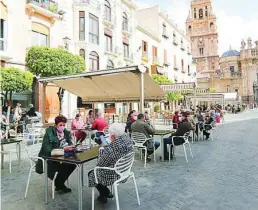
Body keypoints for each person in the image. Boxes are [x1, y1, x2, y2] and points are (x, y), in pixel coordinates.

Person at [88, 123, 133, 204]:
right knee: (103, 140)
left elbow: (100, 164)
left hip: (114, 174)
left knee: (92, 173)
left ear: (112, 136)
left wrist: (102, 148)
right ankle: (104, 194)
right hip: (125, 170)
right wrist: (107, 144)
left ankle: (105, 193)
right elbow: (112, 148)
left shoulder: (112, 148)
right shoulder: (127, 138)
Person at [36, 115, 76, 193]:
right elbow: (47, 149)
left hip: (60, 157)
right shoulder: (49, 133)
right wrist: (63, 148)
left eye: (64, 125)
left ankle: (59, 184)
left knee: (72, 164)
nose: (62, 127)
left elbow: (70, 142)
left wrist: (71, 146)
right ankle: (59, 184)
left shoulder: (66, 132)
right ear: (55, 125)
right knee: (66, 166)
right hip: (47, 159)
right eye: (60, 125)